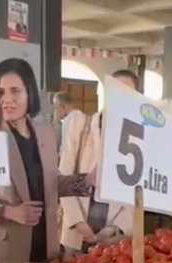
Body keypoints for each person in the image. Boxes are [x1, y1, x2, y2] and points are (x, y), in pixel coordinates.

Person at [0, 58, 92, 263]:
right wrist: (9, 211)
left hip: (45, 244)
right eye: (0, 93)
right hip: (5, 250)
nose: (7, 100)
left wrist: (86, 181)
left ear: (30, 93)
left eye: (15, 91)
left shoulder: (45, 133)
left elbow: (52, 183)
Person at [59, 69, 141, 253]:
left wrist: (115, 227)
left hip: (113, 235)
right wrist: (78, 222)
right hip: (77, 229)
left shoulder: (137, 139)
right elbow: (63, 177)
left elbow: (137, 191)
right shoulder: (82, 126)